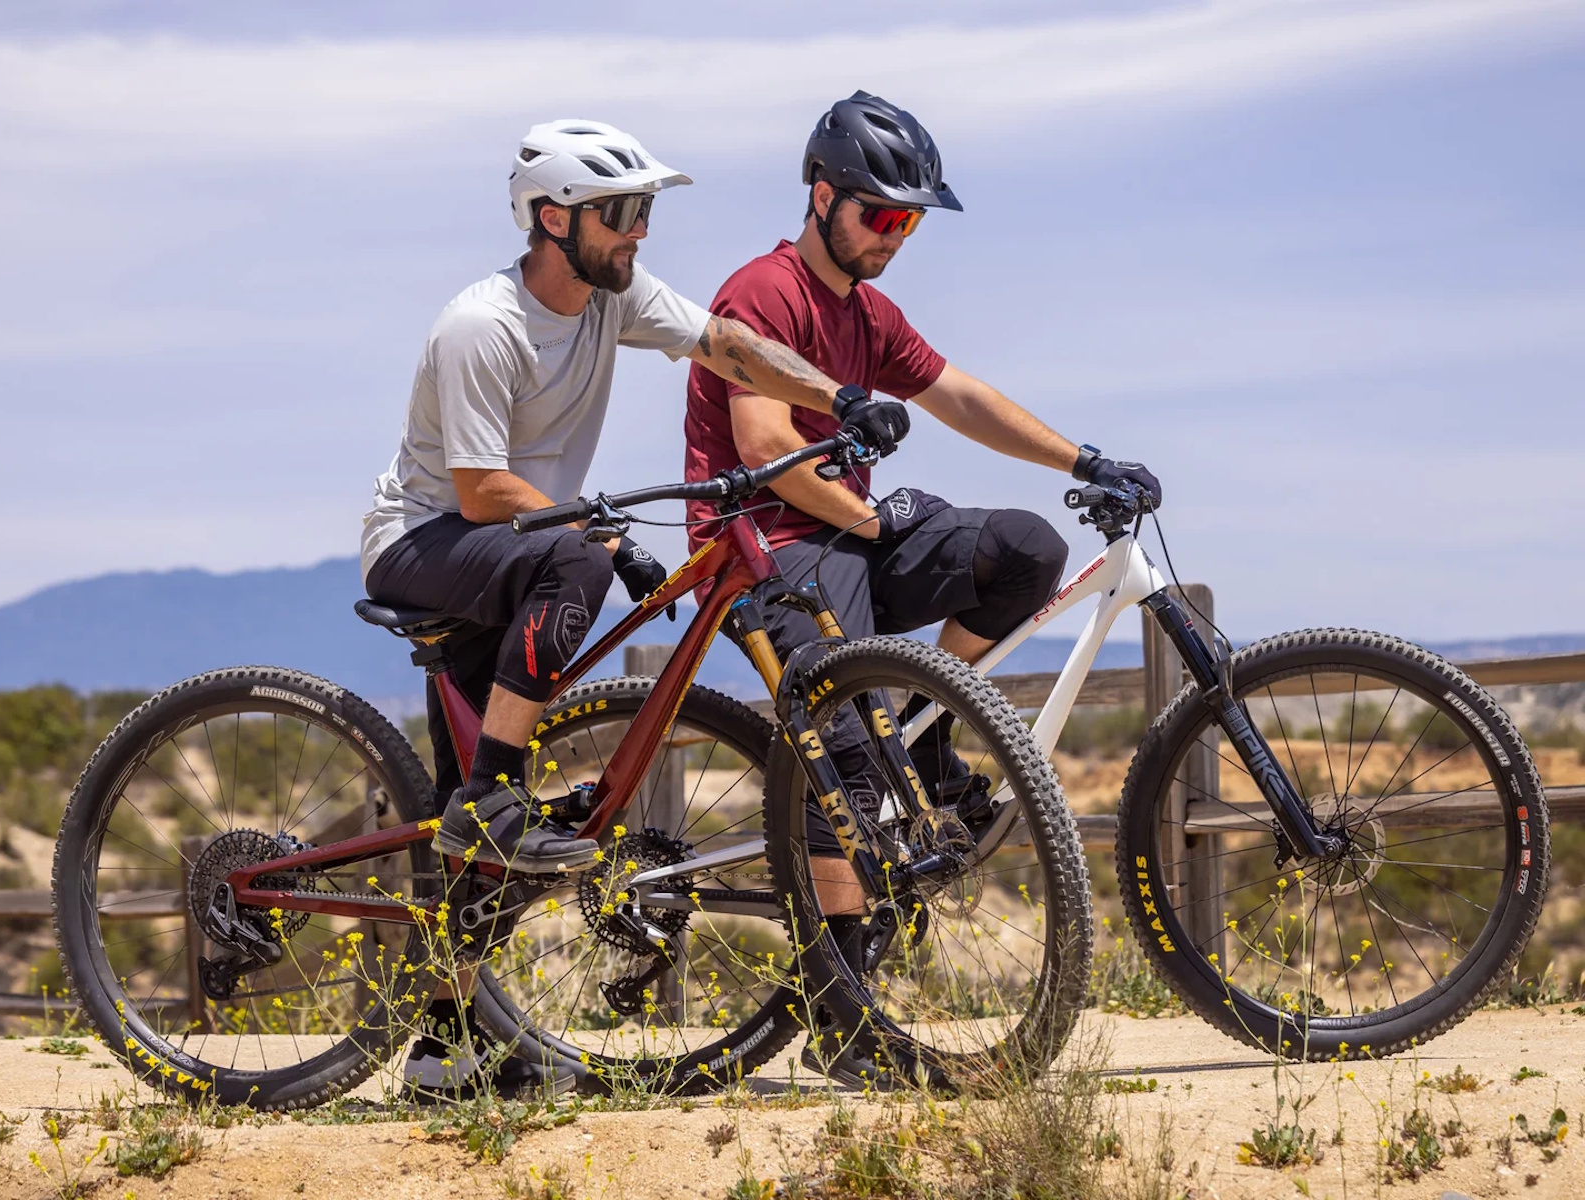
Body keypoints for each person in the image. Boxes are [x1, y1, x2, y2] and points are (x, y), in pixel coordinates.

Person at [360, 117, 909, 1098]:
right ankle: (491, 795)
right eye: (620, 213)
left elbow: (729, 346)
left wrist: (840, 397)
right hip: (425, 542)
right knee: (567, 580)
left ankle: (445, 1048)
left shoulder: (615, 297)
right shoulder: (482, 326)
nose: (639, 232)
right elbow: (480, 492)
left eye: (645, 211)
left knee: (482, 837)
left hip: (513, 550)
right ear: (553, 219)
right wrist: (598, 532)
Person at [683, 91, 1162, 1082]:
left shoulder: (869, 312)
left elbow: (958, 396)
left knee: (1023, 549)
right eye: (881, 216)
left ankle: (922, 726)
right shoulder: (763, 293)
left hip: (847, 538)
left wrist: (1086, 461)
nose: (895, 238)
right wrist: (871, 521)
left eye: (910, 222)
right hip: (768, 549)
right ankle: (844, 1026)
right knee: (845, 761)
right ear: (823, 197)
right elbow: (764, 446)